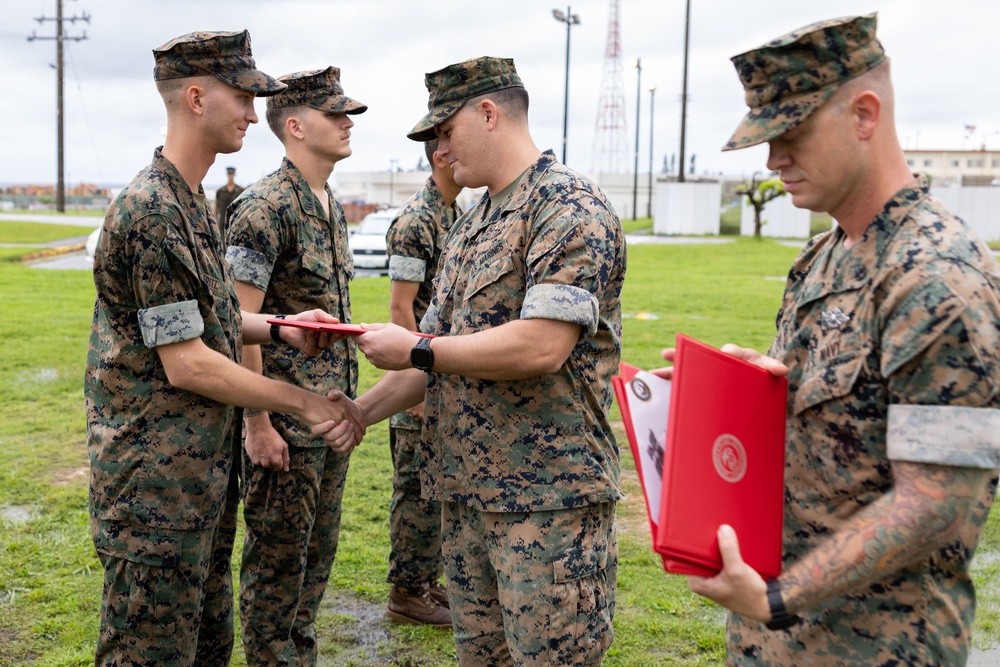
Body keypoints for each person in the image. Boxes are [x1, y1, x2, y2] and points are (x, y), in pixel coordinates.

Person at [663, 14, 1000, 666]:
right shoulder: (826, 255)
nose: (772, 159)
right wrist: (754, 389)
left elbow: (936, 502)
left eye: (790, 134)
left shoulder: (937, 275)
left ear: (865, 115)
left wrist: (781, 597)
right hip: (778, 637)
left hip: (876, 644)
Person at [85, 32, 363, 667]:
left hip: (199, 482)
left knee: (206, 647)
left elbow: (204, 321)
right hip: (154, 488)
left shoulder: (188, 201)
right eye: (241, 96)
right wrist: (298, 401)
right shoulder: (152, 210)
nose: (250, 111)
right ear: (193, 98)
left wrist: (279, 328)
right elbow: (186, 362)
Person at [352, 56, 627, 666]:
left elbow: (542, 345)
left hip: (547, 505)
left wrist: (419, 348)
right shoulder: (473, 224)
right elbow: (437, 359)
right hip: (468, 496)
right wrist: (357, 414)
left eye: (445, 132)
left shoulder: (567, 207)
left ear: (488, 113)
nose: (441, 152)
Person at [224, 65, 367, 666]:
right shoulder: (264, 207)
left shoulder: (329, 204)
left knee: (316, 561)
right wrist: (258, 423)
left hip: (330, 416)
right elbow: (238, 323)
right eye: (334, 113)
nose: (346, 122)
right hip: (285, 421)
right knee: (277, 567)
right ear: (295, 126)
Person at [382, 138, 463, 627]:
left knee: (434, 485)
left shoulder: (455, 211)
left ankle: (427, 581)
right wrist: (416, 379)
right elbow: (400, 306)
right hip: (421, 369)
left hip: (439, 365)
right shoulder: (417, 220)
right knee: (414, 485)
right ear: (440, 156)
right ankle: (407, 591)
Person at [215, 165, 244, 235]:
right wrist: (215, 222)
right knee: (222, 243)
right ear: (227, 175)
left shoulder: (240, 191)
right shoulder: (220, 191)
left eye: (232, 174)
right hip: (223, 222)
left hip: (236, 222)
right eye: (229, 174)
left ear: (234, 175)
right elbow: (216, 208)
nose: (230, 176)